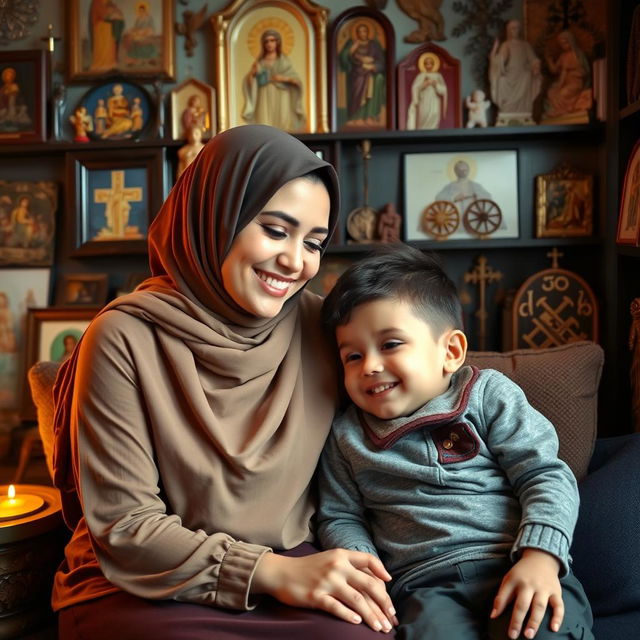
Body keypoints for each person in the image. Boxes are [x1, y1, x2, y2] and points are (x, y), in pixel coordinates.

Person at [51, 124, 398, 639]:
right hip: (148, 580)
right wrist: (272, 573)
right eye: (276, 230)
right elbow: (126, 527)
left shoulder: (326, 329)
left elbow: (428, 407)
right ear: (216, 217)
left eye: (314, 242)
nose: (295, 261)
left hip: (293, 562)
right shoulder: (122, 336)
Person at [317, 243, 595, 640]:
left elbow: (544, 474)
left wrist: (541, 555)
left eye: (391, 344)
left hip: (514, 561)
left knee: (542, 629)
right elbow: (340, 515)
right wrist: (366, 570)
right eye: (352, 356)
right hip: (424, 587)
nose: (371, 366)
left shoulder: (487, 396)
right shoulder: (346, 436)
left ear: (450, 351)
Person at [242, 30, 306, 132]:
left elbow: (296, 82)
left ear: (277, 42)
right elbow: (249, 83)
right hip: (264, 96)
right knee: (265, 126)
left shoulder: (284, 61)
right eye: (266, 41)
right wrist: (252, 74)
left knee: (283, 127)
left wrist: (284, 78)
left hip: (282, 95)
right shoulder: (260, 62)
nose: (269, 44)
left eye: (272, 40)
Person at [489, 19, 542, 126]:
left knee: (527, 76)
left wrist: (535, 66)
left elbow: (533, 59)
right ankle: (506, 108)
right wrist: (494, 51)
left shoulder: (525, 45)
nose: (515, 30)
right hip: (510, 72)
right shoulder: (506, 45)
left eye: (517, 28)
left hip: (523, 73)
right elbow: (499, 61)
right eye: (512, 28)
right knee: (502, 81)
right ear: (508, 31)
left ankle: (523, 110)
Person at [339, 22, 386, 128]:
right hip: (356, 73)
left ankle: (370, 116)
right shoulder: (352, 43)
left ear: (368, 32)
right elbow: (343, 58)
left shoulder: (374, 44)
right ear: (356, 33)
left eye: (364, 31)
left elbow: (382, 61)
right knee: (357, 88)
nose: (362, 33)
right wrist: (351, 50)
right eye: (359, 32)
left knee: (379, 79)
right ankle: (356, 118)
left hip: (371, 72)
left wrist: (373, 66)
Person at [541, 31, 592, 124]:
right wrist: (549, 60)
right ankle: (557, 112)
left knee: (563, 94)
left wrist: (574, 71)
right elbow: (555, 70)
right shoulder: (563, 56)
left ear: (571, 41)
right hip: (563, 82)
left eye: (565, 42)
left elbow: (586, 71)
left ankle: (564, 111)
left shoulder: (578, 55)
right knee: (551, 92)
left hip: (575, 83)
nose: (563, 45)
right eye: (561, 44)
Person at [406, 53, 447, 130]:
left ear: (434, 64)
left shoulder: (438, 76)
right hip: (424, 100)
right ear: (424, 65)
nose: (429, 65)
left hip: (434, 100)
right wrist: (425, 84)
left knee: (434, 114)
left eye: (431, 63)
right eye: (426, 64)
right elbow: (415, 87)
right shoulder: (421, 75)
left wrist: (435, 84)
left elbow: (444, 90)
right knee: (424, 115)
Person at [89, 0, 124, 71]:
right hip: (100, 27)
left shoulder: (108, 1)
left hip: (109, 27)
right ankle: (102, 64)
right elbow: (102, 15)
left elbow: (114, 10)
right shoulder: (97, 1)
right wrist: (113, 16)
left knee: (111, 45)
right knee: (103, 46)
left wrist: (117, 15)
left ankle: (111, 62)